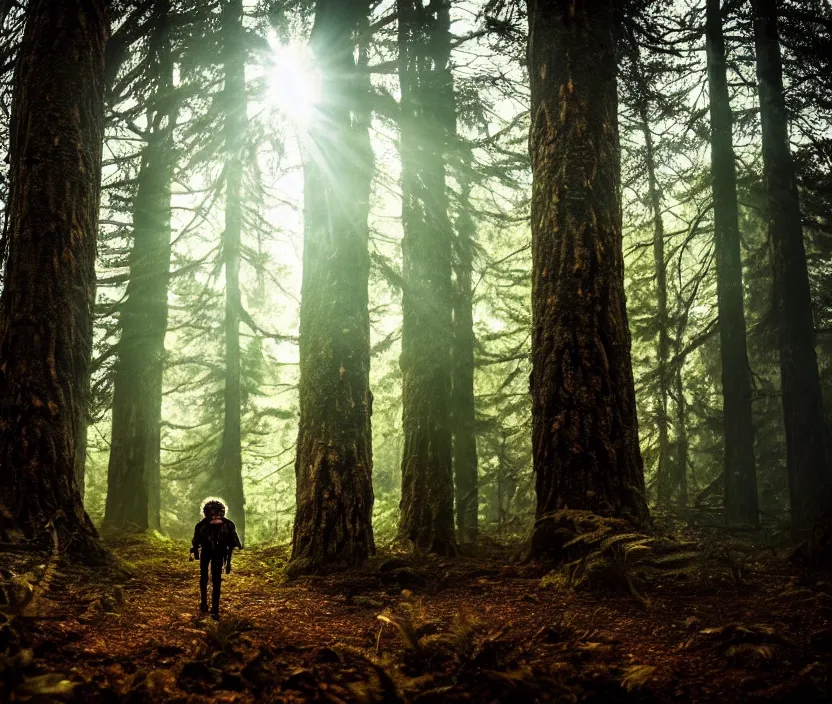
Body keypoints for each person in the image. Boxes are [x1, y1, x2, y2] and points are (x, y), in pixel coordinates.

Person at [190, 499, 242, 619]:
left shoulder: (201, 525)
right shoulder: (228, 524)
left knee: (204, 578)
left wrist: (196, 551)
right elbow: (233, 543)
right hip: (220, 553)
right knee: (216, 580)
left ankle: (205, 604)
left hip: (207, 553)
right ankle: (214, 609)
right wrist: (228, 562)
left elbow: (196, 541)